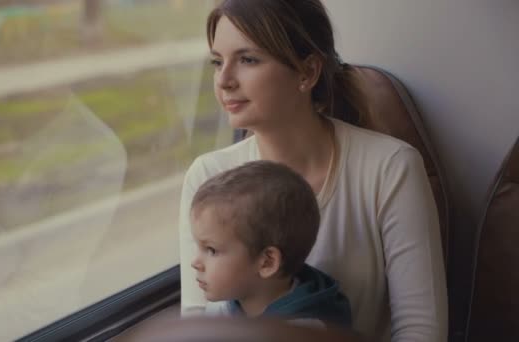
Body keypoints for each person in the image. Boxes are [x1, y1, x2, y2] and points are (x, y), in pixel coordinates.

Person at [178, 0, 448, 341]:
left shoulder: (391, 168)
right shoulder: (207, 176)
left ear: (308, 72)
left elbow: (421, 331)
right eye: (218, 62)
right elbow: (197, 327)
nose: (224, 80)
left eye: (248, 59)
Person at [190, 160, 351, 328]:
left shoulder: (303, 332)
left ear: (267, 262)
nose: (195, 263)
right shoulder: (222, 307)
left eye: (211, 250)